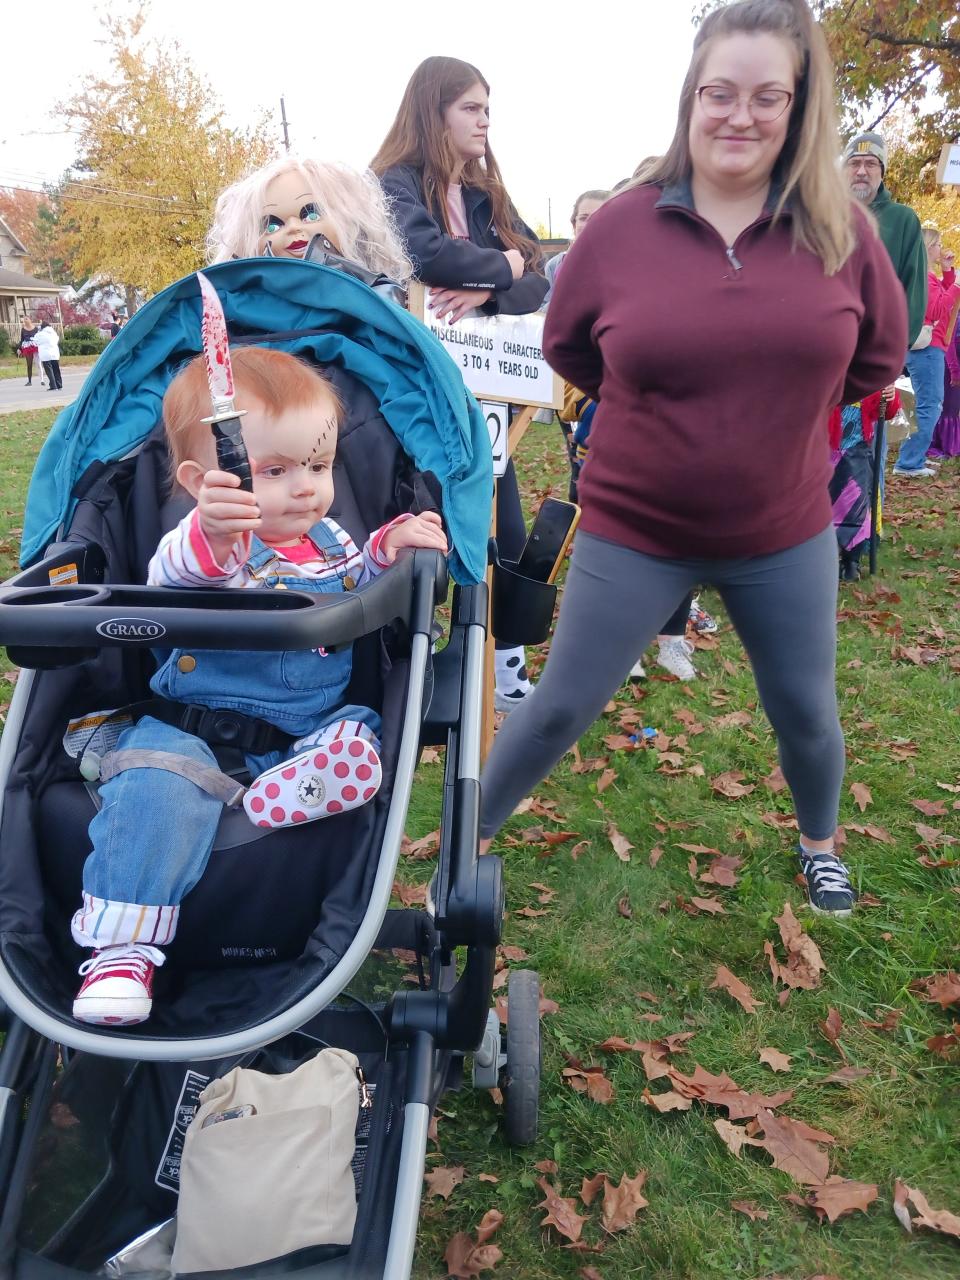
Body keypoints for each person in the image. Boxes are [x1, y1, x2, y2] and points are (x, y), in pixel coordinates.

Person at [476, 0, 907, 919]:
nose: (740, 116)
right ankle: (468, 833)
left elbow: (874, 360)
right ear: (690, 99)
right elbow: (571, 348)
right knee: (556, 707)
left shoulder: (843, 232)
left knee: (807, 715)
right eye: (720, 93)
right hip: (638, 531)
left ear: (799, 107)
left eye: (767, 97)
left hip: (783, 532)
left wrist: (776, 409)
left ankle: (818, 844)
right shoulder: (623, 227)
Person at [70, 346, 447, 1026]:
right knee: (156, 792)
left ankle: (304, 783)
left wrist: (387, 547)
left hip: (305, 731)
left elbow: (355, 580)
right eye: (273, 470)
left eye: (319, 465)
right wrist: (213, 529)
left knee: (361, 730)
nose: (305, 486)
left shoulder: (326, 537)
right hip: (193, 734)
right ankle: (121, 950)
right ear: (202, 480)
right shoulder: (214, 545)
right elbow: (184, 572)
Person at [372, 56, 548, 712]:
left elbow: (537, 270)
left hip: (487, 393)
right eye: (471, 108)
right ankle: (403, 669)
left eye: (487, 109)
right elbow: (423, 255)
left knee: (501, 524)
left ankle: (504, 671)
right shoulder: (391, 183)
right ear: (434, 111)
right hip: (412, 391)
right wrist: (497, 262)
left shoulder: (485, 196)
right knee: (417, 523)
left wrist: (487, 294)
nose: (484, 121)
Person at [842, 131, 928, 348]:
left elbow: (913, 292)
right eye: (854, 163)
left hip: (874, 351)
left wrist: (893, 350)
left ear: (882, 171)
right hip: (823, 349)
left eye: (871, 163)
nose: (861, 171)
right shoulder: (822, 215)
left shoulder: (903, 220)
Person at [893, 227, 958, 477]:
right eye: (938, 244)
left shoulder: (926, 276)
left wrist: (948, 271)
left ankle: (914, 456)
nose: (941, 248)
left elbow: (944, 294)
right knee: (930, 404)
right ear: (928, 247)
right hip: (928, 349)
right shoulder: (922, 278)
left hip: (930, 347)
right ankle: (909, 462)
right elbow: (939, 310)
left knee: (926, 403)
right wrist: (957, 284)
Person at [829, 385, 901, 580]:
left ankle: (851, 560)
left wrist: (889, 397)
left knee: (854, 506)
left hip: (855, 452)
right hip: (820, 451)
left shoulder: (867, 375)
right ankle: (822, 557)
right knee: (821, 506)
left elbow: (884, 411)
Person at [544, 190, 612, 307]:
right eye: (583, 218)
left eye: (599, 217)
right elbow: (542, 313)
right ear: (574, 224)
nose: (589, 224)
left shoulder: (623, 264)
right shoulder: (554, 265)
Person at [929, 246, 960, 459]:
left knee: (952, 405)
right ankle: (943, 444)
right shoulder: (954, 314)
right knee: (946, 405)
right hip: (949, 365)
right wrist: (955, 370)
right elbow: (949, 342)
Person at [35, 321, 62, 391]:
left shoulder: (40, 334)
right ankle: (59, 385)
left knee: (49, 370)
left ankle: (53, 386)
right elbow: (56, 340)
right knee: (56, 370)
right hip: (55, 354)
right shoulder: (54, 333)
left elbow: (35, 342)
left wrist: (38, 332)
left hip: (45, 355)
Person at [16, 317, 39, 386]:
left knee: (39, 364)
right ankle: (29, 381)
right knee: (29, 364)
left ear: (30, 320)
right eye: (24, 320)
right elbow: (22, 340)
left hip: (35, 346)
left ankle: (42, 380)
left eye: (26, 319)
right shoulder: (23, 329)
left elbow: (39, 338)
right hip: (27, 347)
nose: (25, 320)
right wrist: (19, 348)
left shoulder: (36, 329)